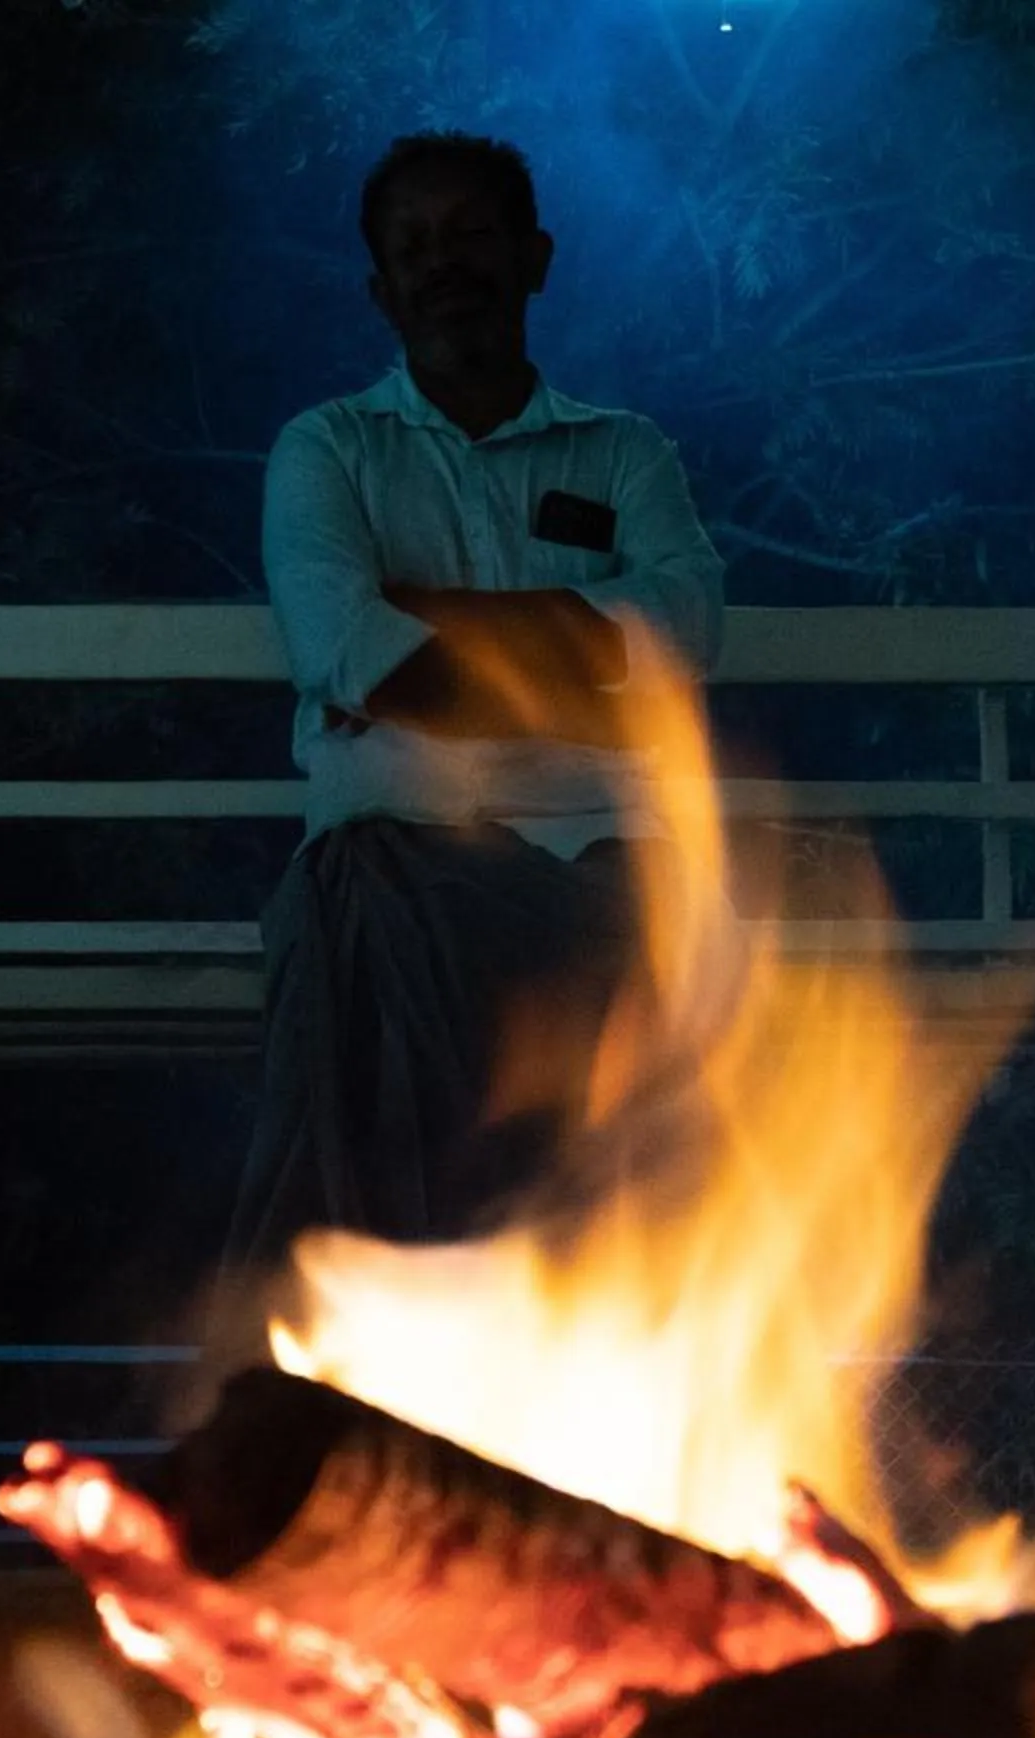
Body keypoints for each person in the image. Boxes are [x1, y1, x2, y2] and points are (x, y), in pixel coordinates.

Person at [223, 130, 726, 1276]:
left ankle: (559, 1318)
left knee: (657, 946)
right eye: (413, 246)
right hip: (393, 856)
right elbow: (348, 647)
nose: (442, 263)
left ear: (535, 259)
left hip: (603, 852)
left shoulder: (622, 453)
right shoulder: (329, 451)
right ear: (379, 287)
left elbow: (684, 630)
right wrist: (583, 653)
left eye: (470, 236)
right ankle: (412, 1328)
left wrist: (423, 624)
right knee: (372, 920)